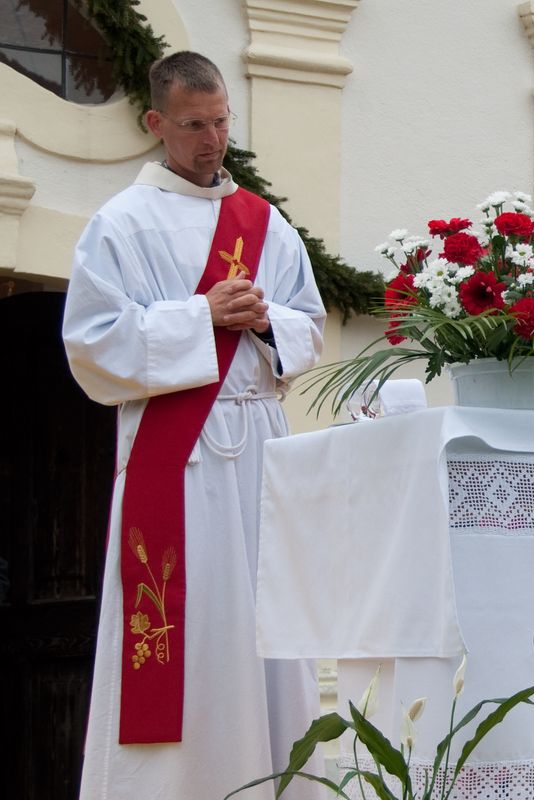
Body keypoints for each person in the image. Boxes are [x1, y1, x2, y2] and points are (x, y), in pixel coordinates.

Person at [62, 52, 326, 798]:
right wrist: (198, 317)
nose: (213, 140)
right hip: (177, 470)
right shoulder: (120, 224)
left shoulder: (264, 224)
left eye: (221, 122)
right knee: (195, 639)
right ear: (157, 124)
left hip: (260, 458)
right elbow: (90, 347)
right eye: (193, 125)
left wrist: (268, 321)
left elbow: (308, 324)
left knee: (269, 637)